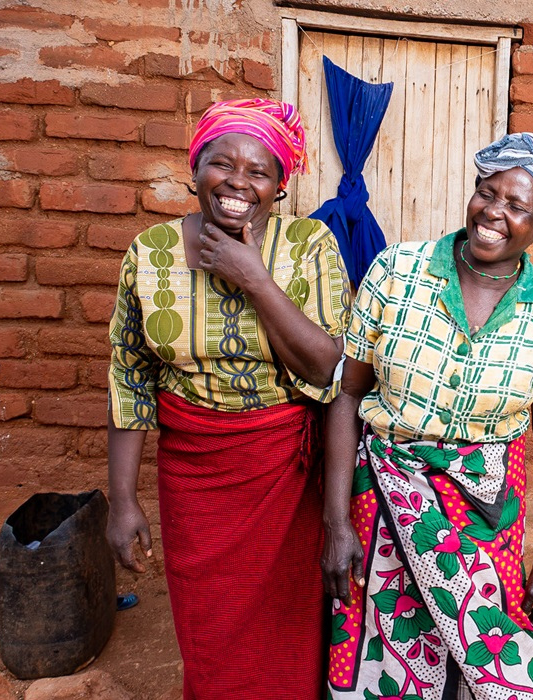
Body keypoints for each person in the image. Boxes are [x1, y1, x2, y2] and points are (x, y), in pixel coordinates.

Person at [322, 129, 533, 700]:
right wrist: (337, 522)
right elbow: (347, 395)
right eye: (486, 192)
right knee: (384, 649)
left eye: (518, 206)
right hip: (384, 497)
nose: (494, 212)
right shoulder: (397, 272)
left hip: (487, 508)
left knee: (483, 650)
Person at [105, 98, 349, 699]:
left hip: (286, 472)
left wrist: (252, 275)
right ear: (196, 170)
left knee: (290, 621)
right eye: (222, 164)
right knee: (209, 622)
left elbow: (328, 365)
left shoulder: (309, 245)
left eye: (259, 171)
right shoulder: (151, 254)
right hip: (195, 471)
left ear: (280, 187)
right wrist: (121, 502)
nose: (238, 182)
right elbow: (129, 378)